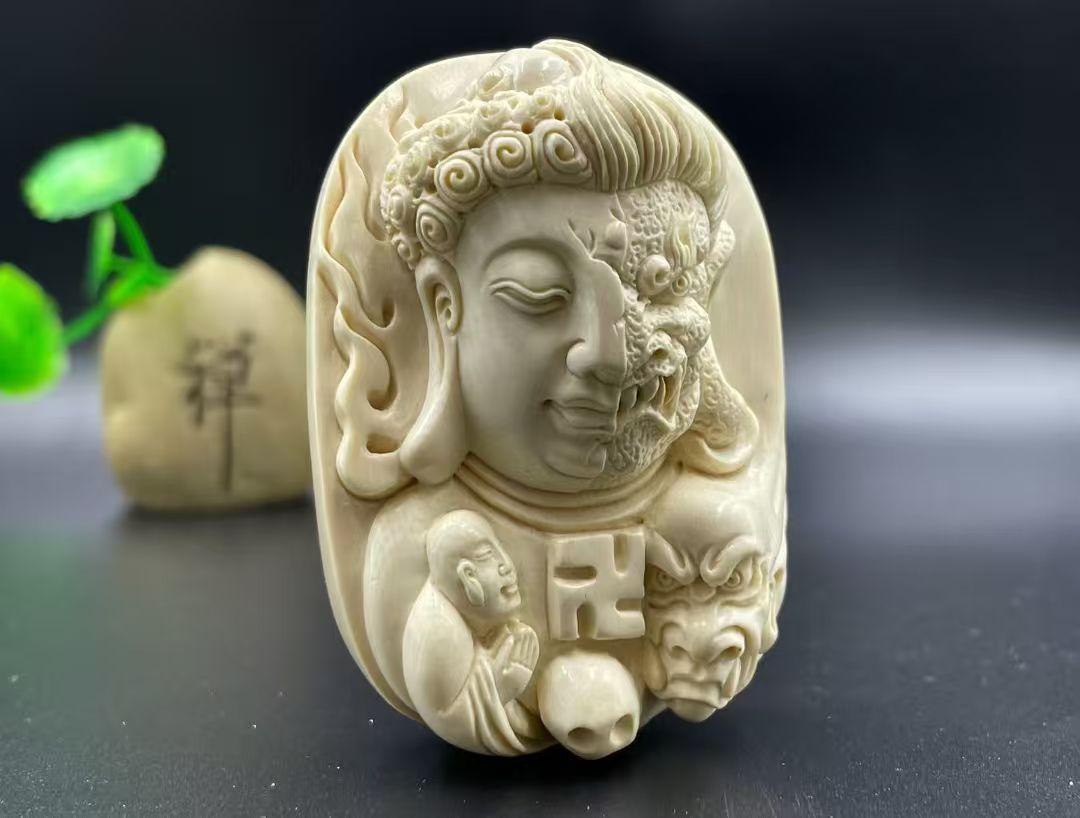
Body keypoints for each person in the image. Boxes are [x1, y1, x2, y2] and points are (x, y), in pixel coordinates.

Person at [402, 510, 542, 755]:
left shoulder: (456, 615)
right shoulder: (440, 632)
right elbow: (444, 716)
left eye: (500, 548)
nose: (507, 565)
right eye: (487, 555)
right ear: (467, 576)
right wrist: (500, 687)